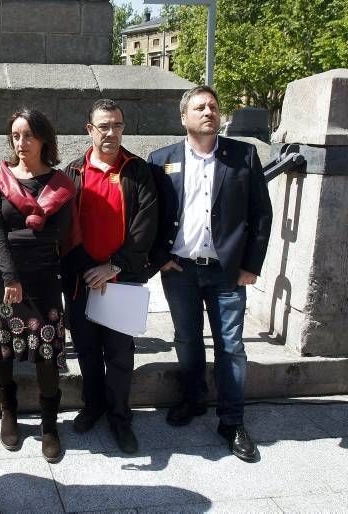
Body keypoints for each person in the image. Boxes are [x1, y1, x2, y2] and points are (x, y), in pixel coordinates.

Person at [148, 85, 272, 463]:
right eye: (199, 107)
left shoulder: (243, 155)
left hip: (227, 273)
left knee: (231, 346)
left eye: (213, 107)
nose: (208, 112)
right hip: (180, 270)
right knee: (186, 339)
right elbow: (148, 216)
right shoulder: (160, 160)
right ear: (184, 117)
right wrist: (159, 257)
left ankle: (232, 422)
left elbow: (261, 215)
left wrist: (251, 266)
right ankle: (192, 398)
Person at [0, 109, 74, 463]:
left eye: (28, 135)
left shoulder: (60, 184)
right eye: (15, 135)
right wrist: (10, 274)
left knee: (46, 352)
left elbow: (56, 234)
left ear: (44, 138)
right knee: (2, 349)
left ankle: (49, 424)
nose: (21, 142)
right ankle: (8, 412)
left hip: (43, 279)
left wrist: (22, 239)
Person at [60, 99, 158, 454]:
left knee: (119, 354)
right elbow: (65, 228)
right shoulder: (71, 173)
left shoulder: (138, 170)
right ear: (89, 130)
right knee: (86, 350)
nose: (111, 132)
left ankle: (120, 417)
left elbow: (145, 225)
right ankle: (93, 406)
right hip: (80, 282)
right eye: (103, 126)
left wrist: (113, 265)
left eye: (117, 125)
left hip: (120, 280)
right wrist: (87, 269)